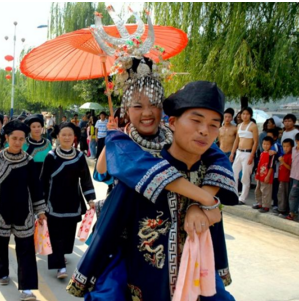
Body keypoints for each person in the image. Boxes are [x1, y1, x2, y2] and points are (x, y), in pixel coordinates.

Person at [68, 80, 237, 300]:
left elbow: (220, 159)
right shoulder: (127, 147)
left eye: (214, 124)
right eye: (196, 120)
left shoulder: (205, 160)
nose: (204, 130)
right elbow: (111, 170)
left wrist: (200, 203)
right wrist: (207, 200)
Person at [0, 120, 47, 301]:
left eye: (21, 139)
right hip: (1, 211)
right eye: (14, 138)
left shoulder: (29, 161)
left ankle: (27, 288)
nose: (17, 142)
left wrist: (40, 211)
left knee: (26, 250)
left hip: (24, 212)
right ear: (6, 138)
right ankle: (2, 273)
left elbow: (36, 188)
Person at [40, 122, 96, 279]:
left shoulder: (79, 156)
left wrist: (90, 198)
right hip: (53, 201)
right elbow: (43, 181)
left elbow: (85, 179)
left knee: (68, 234)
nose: (66, 137)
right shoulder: (51, 157)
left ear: (74, 137)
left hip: (73, 201)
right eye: (63, 134)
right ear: (57, 136)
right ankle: (60, 266)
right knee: (55, 233)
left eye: (69, 135)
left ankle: (61, 255)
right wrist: (40, 204)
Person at [230, 107, 259, 205]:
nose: (245, 116)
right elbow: (236, 140)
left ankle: (242, 198)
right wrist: (232, 153)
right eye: (243, 114)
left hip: (248, 153)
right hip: (239, 152)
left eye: (247, 114)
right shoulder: (239, 125)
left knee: (245, 177)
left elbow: (255, 142)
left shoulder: (253, 126)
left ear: (250, 115)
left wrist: (252, 155)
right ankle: (234, 194)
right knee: (234, 173)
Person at [252, 136, 275, 213]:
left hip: (266, 176)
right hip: (259, 175)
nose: (265, 146)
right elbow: (259, 165)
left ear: (271, 145)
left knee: (266, 191)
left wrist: (268, 176)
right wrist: (257, 175)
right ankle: (259, 203)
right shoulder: (262, 153)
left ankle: (266, 206)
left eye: (267, 144)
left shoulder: (271, 155)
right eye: (264, 144)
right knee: (258, 190)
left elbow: (271, 167)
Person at [277, 138, 294, 218]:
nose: (285, 148)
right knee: (281, 194)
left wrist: (283, 162)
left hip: (286, 179)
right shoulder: (284, 155)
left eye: (287, 146)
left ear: (292, 147)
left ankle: (283, 210)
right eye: (284, 146)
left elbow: (290, 168)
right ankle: (281, 208)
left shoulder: (290, 156)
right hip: (282, 178)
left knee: (284, 194)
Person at [286, 133, 299, 221]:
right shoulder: (294, 149)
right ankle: (293, 212)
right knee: (293, 195)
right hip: (293, 175)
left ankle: (292, 213)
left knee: (293, 195)